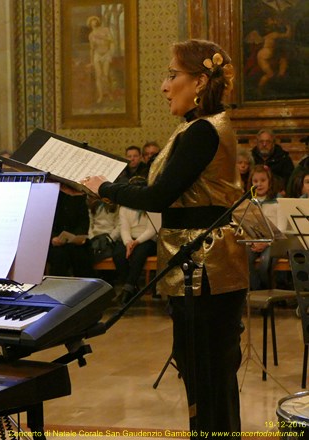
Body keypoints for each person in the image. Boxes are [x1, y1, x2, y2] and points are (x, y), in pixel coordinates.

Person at [83, 39, 247, 435]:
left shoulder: (202, 132)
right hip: (202, 266)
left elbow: (158, 196)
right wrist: (105, 184)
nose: (163, 85)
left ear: (200, 80)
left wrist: (106, 189)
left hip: (206, 268)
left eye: (172, 75)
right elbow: (161, 184)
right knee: (202, 368)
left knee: (206, 371)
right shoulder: (196, 127)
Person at [247, 165, 286, 290]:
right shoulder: (249, 202)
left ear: (270, 181)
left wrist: (266, 243)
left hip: (274, 242)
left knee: (264, 265)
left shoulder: (278, 201)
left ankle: (267, 298)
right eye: (255, 181)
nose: (259, 184)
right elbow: (246, 227)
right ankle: (257, 294)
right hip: (255, 242)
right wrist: (252, 241)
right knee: (244, 260)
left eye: (263, 180)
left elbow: (282, 229)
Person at [251, 129, 294, 193]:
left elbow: (290, 181)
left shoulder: (284, 159)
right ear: (257, 143)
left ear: (273, 143)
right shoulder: (250, 158)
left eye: (268, 142)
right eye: (261, 142)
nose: (264, 144)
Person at [87, 15, 114, 104]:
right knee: (98, 76)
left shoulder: (105, 30)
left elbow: (111, 40)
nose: (93, 23)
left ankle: (109, 94)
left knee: (105, 75)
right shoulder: (91, 35)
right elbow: (92, 49)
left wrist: (101, 37)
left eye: (94, 21)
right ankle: (100, 96)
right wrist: (91, 61)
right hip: (97, 55)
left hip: (106, 54)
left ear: (97, 22)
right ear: (90, 24)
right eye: (91, 22)